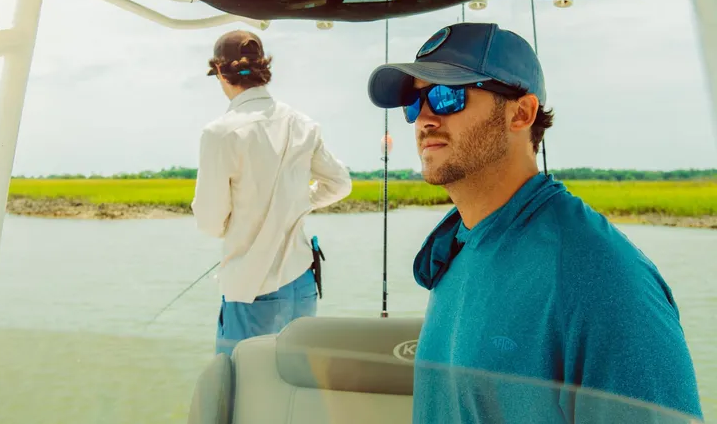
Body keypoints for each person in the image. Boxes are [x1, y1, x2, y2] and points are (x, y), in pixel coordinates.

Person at [366, 22, 703, 423]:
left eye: (447, 96)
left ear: (521, 113)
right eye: (412, 103)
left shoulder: (601, 278)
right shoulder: (456, 245)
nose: (424, 119)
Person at [192, 29, 352, 356]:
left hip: (252, 290)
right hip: (303, 285)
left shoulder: (220, 133)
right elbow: (339, 184)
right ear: (264, 68)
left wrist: (243, 223)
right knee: (291, 386)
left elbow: (209, 222)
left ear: (221, 72)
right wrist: (293, 205)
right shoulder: (303, 123)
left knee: (240, 386)